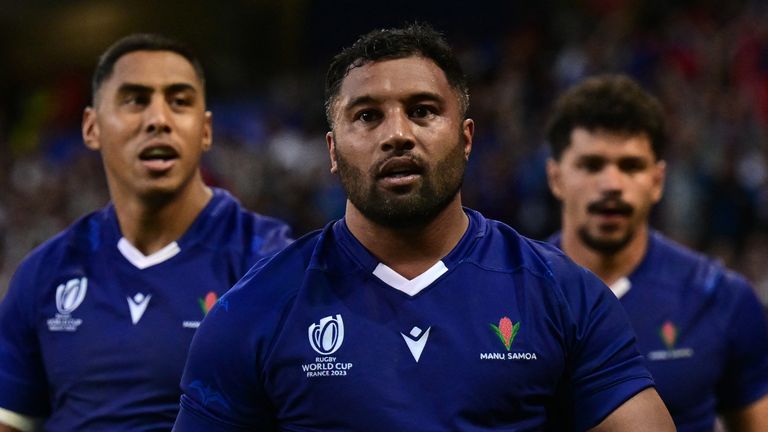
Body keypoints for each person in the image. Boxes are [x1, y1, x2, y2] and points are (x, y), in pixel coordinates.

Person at [173, 24, 674, 431]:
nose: (397, 134)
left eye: (422, 111)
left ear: (466, 137)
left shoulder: (564, 294)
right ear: (331, 151)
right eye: (368, 116)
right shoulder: (252, 310)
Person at [0, 33, 293, 431]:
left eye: (180, 101)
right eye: (136, 100)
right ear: (91, 128)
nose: (159, 119)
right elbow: (12, 420)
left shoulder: (270, 264)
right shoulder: (44, 272)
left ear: (205, 130)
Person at [544, 74, 768, 431]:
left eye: (630, 166)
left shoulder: (721, 296)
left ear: (658, 181)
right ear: (556, 178)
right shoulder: (513, 292)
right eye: (591, 165)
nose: (611, 185)